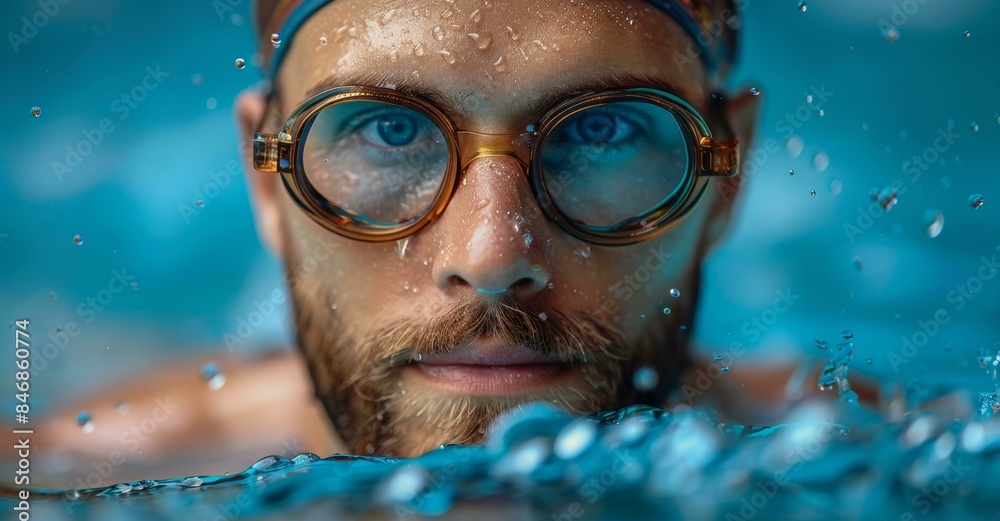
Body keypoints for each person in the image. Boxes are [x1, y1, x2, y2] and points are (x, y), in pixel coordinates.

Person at [22, 0, 856, 487]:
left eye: (599, 130)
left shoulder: (838, 447)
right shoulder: (65, 480)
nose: (494, 256)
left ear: (727, 174)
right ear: (268, 179)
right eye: (388, 131)